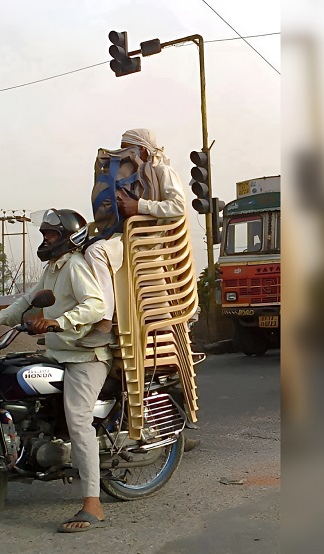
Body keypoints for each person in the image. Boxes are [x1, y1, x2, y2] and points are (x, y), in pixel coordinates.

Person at [0, 209, 112, 533]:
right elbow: (26, 301)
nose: (45, 240)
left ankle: (93, 503)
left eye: (52, 235)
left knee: (78, 420)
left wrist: (60, 321)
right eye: (44, 234)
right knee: (5, 397)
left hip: (86, 356)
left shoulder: (75, 265)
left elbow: (96, 305)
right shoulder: (52, 269)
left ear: (69, 238)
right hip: (61, 352)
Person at [81, 128, 201, 453]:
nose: (123, 154)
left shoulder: (161, 170)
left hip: (150, 253)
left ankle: (101, 319)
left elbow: (178, 207)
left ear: (143, 151)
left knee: (155, 344)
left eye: (128, 149)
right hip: (132, 249)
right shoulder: (130, 174)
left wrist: (139, 207)